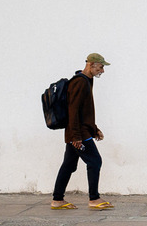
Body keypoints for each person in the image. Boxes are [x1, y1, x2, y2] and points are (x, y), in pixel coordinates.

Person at [50, 53, 113, 210]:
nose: (102, 71)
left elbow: (85, 111)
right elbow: (74, 110)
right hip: (78, 134)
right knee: (95, 161)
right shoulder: (79, 82)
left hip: (79, 132)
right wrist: (76, 136)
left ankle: (57, 200)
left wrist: (94, 129)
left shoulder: (86, 81)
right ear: (91, 64)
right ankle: (94, 198)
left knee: (68, 165)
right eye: (101, 67)